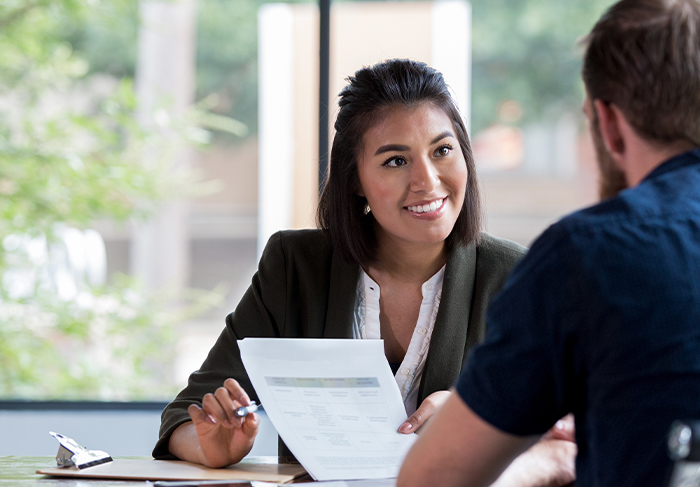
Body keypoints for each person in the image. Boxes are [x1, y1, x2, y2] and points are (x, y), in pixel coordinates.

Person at [153, 59, 573, 485]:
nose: (427, 181)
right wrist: (210, 446)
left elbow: (569, 433)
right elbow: (184, 415)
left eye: (442, 150)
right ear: (356, 180)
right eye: (395, 161)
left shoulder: (517, 277)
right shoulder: (294, 267)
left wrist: (475, 419)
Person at [397, 1, 700, 486]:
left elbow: (431, 480)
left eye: (443, 150)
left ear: (609, 124)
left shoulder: (587, 256)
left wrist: (545, 462)